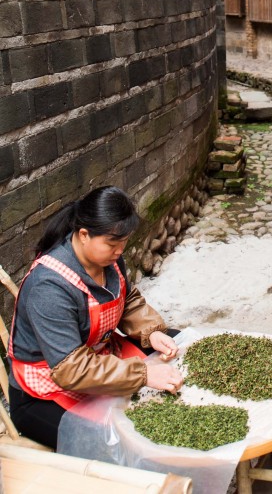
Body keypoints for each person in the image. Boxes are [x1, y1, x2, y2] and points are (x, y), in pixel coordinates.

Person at [8, 185, 184, 449]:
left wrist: (151, 331)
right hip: (48, 386)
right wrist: (143, 374)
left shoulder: (110, 261)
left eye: (123, 243)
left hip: (98, 355)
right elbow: (71, 369)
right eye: (113, 244)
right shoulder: (49, 286)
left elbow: (127, 300)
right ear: (83, 235)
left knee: (179, 344)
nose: (119, 251)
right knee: (114, 442)